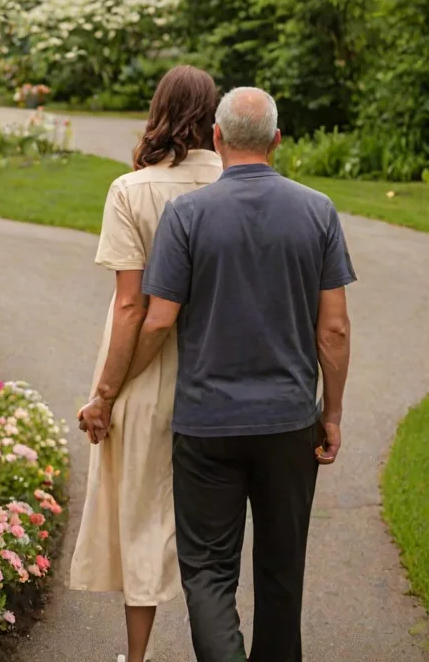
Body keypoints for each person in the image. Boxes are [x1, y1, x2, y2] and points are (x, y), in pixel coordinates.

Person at [99, 86, 354, 662]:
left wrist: (115, 388)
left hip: (206, 424)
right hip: (289, 421)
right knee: (282, 570)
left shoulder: (187, 216)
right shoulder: (317, 210)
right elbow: (333, 330)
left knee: (209, 572)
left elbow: (158, 319)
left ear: (217, 139)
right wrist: (331, 412)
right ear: (277, 142)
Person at [70, 64, 222, 662]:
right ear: (213, 114)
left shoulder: (132, 190)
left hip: (143, 372)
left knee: (139, 515)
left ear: (158, 110)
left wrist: (105, 393)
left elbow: (133, 305)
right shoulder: (231, 181)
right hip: (214, 363)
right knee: (209, 526)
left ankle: (137, 658)